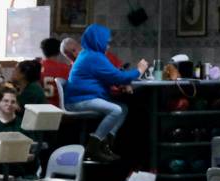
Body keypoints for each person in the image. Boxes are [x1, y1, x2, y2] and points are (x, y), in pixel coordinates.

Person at [64, 24, 147, 162]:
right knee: (115, 110)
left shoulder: (90, 54)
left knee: (123, 109)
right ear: (97, 40)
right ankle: (93, 147)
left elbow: (109, 76)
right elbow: (118, 76)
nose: (108, 45)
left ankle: (105, 144)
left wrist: (121, 83)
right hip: (79, 101)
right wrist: (139, 70)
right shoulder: (93, 56)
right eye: (106, 42)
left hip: (84, 98)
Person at [40, 37, 69, 107]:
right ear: (59, 51)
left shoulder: (36, 67)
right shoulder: (66, 68)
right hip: (59, 107)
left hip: (39, 107)